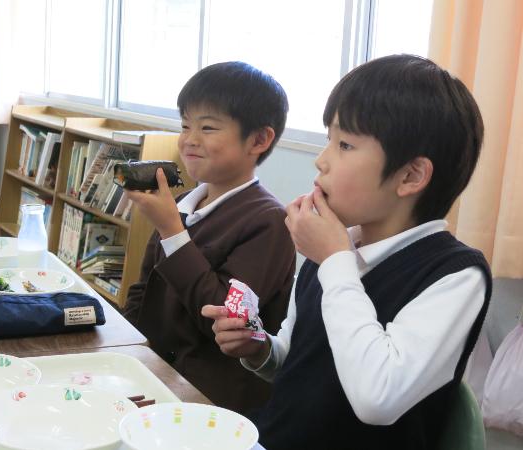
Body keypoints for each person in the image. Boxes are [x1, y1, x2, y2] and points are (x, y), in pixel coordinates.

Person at [202, 54, 493, 450]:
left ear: (410, 176)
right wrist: (259, 348)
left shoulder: (456, 275)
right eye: (328, 140)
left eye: (345, 144)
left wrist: (335, 261)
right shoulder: (336, 247)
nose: (321, 161)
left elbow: (377, 397)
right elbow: (300, 362)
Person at [122, 61, 296, 413]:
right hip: (154, 371)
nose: (189, 140)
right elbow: (145, 289)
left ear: (259, 139)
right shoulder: (186, 202)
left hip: (210, 397)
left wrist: (172, 231)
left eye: (208, 128)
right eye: (185, 125)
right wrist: (125, 348)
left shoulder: (270, 221)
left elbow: (221, 319)